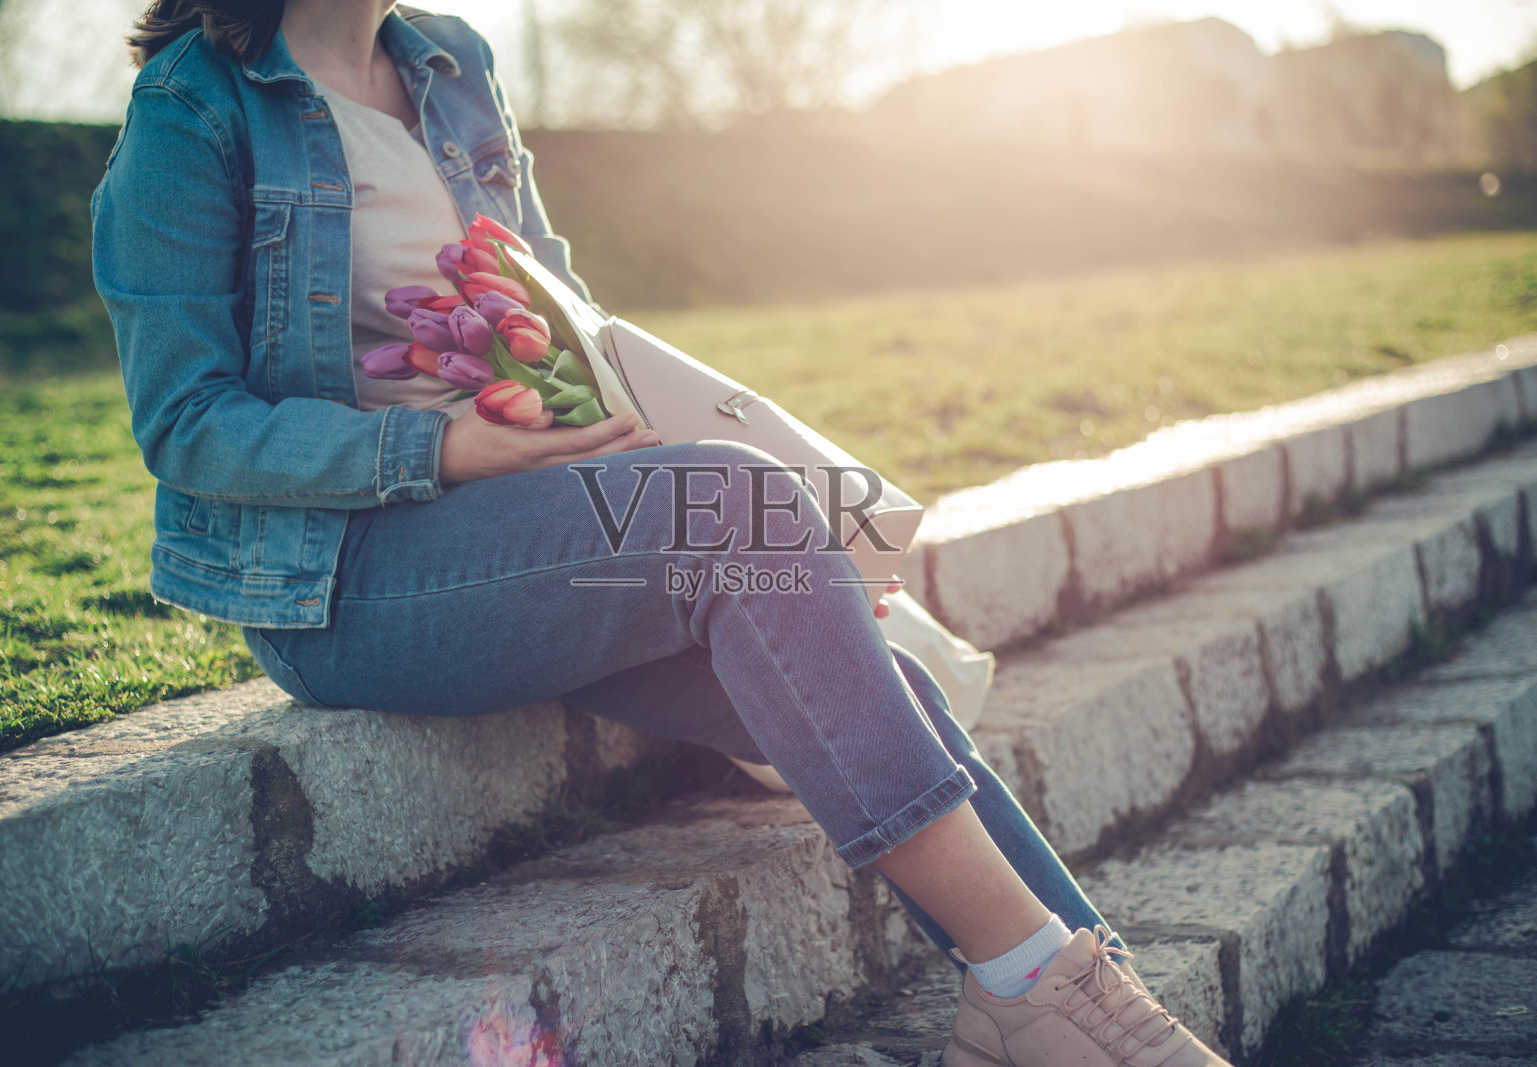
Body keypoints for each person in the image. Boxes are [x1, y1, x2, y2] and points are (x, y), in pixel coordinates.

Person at [93, 3, 1231, 1065]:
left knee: (881, 673)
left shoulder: (448, 62)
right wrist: (441, 453)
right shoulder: (195, 108)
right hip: (346, 583)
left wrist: (795, 570)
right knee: (738, 505)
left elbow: (559, 311)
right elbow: (187, 422)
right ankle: (1054, 994)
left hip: (545, 530)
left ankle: (1069, 995)